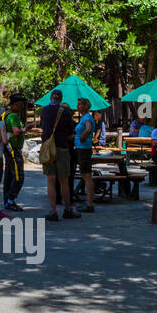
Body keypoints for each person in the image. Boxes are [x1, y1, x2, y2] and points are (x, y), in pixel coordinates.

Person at [40, 89, 79, 220]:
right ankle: (68, 209)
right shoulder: (66, 113)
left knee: (50, 180)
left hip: (48, 149)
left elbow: (43, 128)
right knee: (64, 181)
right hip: (62, 147)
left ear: (51, 98)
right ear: (61, 99)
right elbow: (70, 134)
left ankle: (53, 211)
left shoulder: (43, 111)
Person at [2, 93, 27, 212]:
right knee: (19, 176)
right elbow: (16, 131)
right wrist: (26, 129)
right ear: (15, 104)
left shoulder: (5, 114)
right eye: (21, 104)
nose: (22, 106)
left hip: (7, 148)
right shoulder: (13, 116)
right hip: (13, 149)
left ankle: (6, 200)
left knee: (9, 175)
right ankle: (11, 200)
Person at [74, 98, 96, 213]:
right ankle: (89, 202)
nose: (78, 106)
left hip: (84, 149)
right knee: (85, 174)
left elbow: (88, 129)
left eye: (80, 104)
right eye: (77, 104)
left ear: (85, 106)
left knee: (87, 175)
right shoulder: (84, 117)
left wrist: (82, 137)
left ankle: (89, 204)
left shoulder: (87, 117)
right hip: (81, 148)